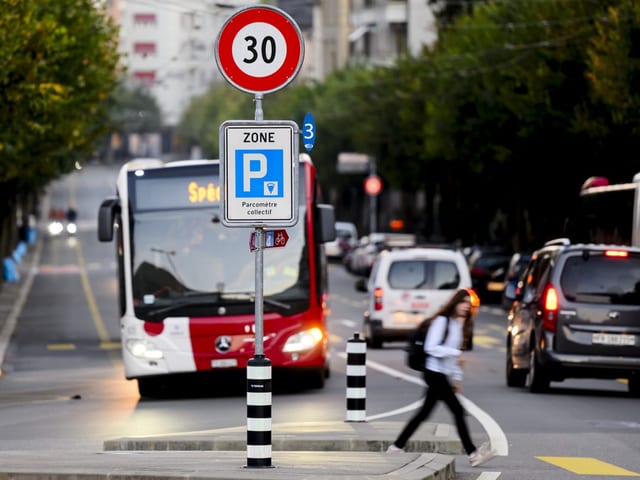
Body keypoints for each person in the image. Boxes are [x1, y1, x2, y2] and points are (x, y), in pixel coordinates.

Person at [386, 288, 496, 468]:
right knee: (457, 411)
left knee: (424, 413)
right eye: (463, 303)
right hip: (433, 373)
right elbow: (431, 347)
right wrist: (455, 353)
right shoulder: (441, 321)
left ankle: (396, 446)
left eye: (468, 305)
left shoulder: (457, 325)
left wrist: (456, 379)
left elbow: (453, 358)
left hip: (441, 374)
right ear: (455, 303)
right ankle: (473, 453)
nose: (465, 307)